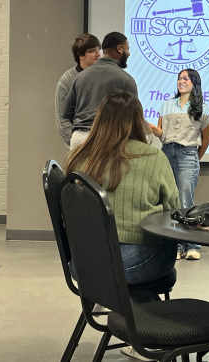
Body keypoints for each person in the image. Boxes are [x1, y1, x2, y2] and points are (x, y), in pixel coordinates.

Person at [64, 91, 180, 303]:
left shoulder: (78, 157)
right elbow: (173, 208)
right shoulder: (153, 156)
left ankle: (127, 316)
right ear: (138, 120)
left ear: (99, 119)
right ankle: (145, 321)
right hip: (136, 263)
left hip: (82, 264)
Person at [150, 69, 209, 261]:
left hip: (188, 155)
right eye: (179, 78)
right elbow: (161, 132)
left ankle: (192, 245)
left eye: (185, 78)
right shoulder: (167, 105)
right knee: (169, 201)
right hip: (167, 152)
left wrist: (193, 158)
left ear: (195, 82)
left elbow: (206, 139)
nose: (181, 81)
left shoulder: (202, 107)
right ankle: (175, 245)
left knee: (186, 200)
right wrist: (149, 127)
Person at [62, 32, 137, 149]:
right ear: (119, 48)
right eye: (127, 49)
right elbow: (134, 118)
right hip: (106, 139)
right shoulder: (125, 79)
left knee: (78, 169)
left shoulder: (80, 77)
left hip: (79, 139)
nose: (129, 53)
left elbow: (67, 113)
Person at [55, 33, 100, 149]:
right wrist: (75, 147)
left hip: (103, 143)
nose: (98, 54)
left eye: (98, 50)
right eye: (92, 51)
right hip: (79, 144)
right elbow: (63, 120)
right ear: (81, 54)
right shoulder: (67, 80)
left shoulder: (104, 77)